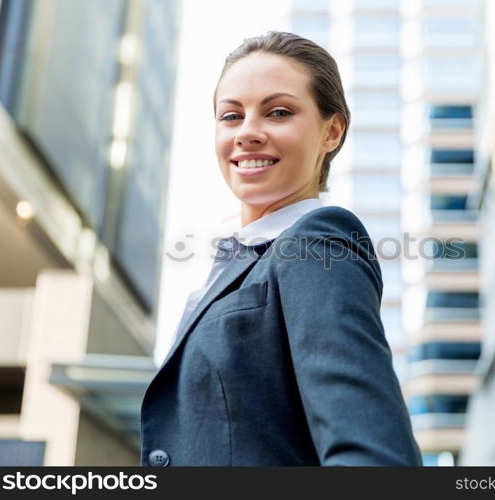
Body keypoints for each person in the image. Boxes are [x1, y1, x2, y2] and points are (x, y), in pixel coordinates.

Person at [140, 31, 422, 466]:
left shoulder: (315, 245)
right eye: (231, 116)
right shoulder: (238, 262)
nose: (248, 132)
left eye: (278, 112)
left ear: (332, 131)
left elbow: (373, 454)